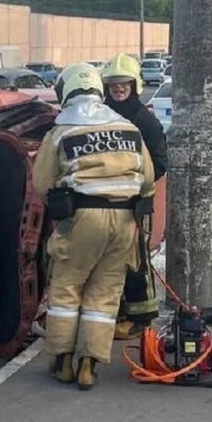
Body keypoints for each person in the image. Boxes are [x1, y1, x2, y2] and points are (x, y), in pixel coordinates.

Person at [33, 63, 155, 390]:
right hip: (126, 219)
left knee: (67, 288)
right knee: (105, 294)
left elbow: (42, 182)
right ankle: (89, 365)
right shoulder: (127, 126)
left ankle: (62, 361)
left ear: (66, 91)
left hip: (83, 218)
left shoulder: (62, 130)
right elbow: (147, 180)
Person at [100, 53, 167, 340]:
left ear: (134, 85)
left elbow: (161, 162)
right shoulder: (101, 116)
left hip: (135, 201)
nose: (118, 90)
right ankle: (117, 312)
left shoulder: (145, 122)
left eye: (123, 84)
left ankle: (141, 318)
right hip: (104, 202)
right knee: (108, 259)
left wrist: (133, 183)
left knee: (136, 261)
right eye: (113, 85)